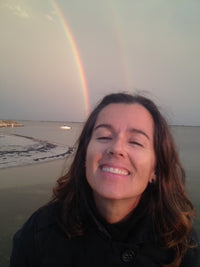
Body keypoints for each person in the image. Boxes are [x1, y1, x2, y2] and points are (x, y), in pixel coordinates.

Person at [11, 93, 200, 267]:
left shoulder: (181, 244)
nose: (116, 148)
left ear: (156, 169)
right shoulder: (39, 233)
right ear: (85, 155)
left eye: (135, 141)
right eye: (104, 136)